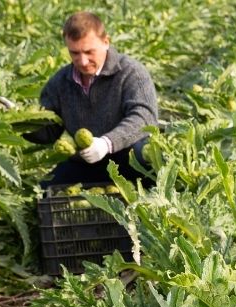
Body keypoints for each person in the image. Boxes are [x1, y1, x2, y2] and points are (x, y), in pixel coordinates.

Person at [25, 12, 158, 187]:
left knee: (144, 154)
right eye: (74, 53)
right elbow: (49, 131)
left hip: (128, 159)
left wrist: (106, 143)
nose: (82, 61)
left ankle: (149, 202)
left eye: (89, 52)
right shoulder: (61, 81)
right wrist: (19, 120)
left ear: (106, 42)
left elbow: (144, 118)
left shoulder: (131, 73)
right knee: (46, 190)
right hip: (88, 161)